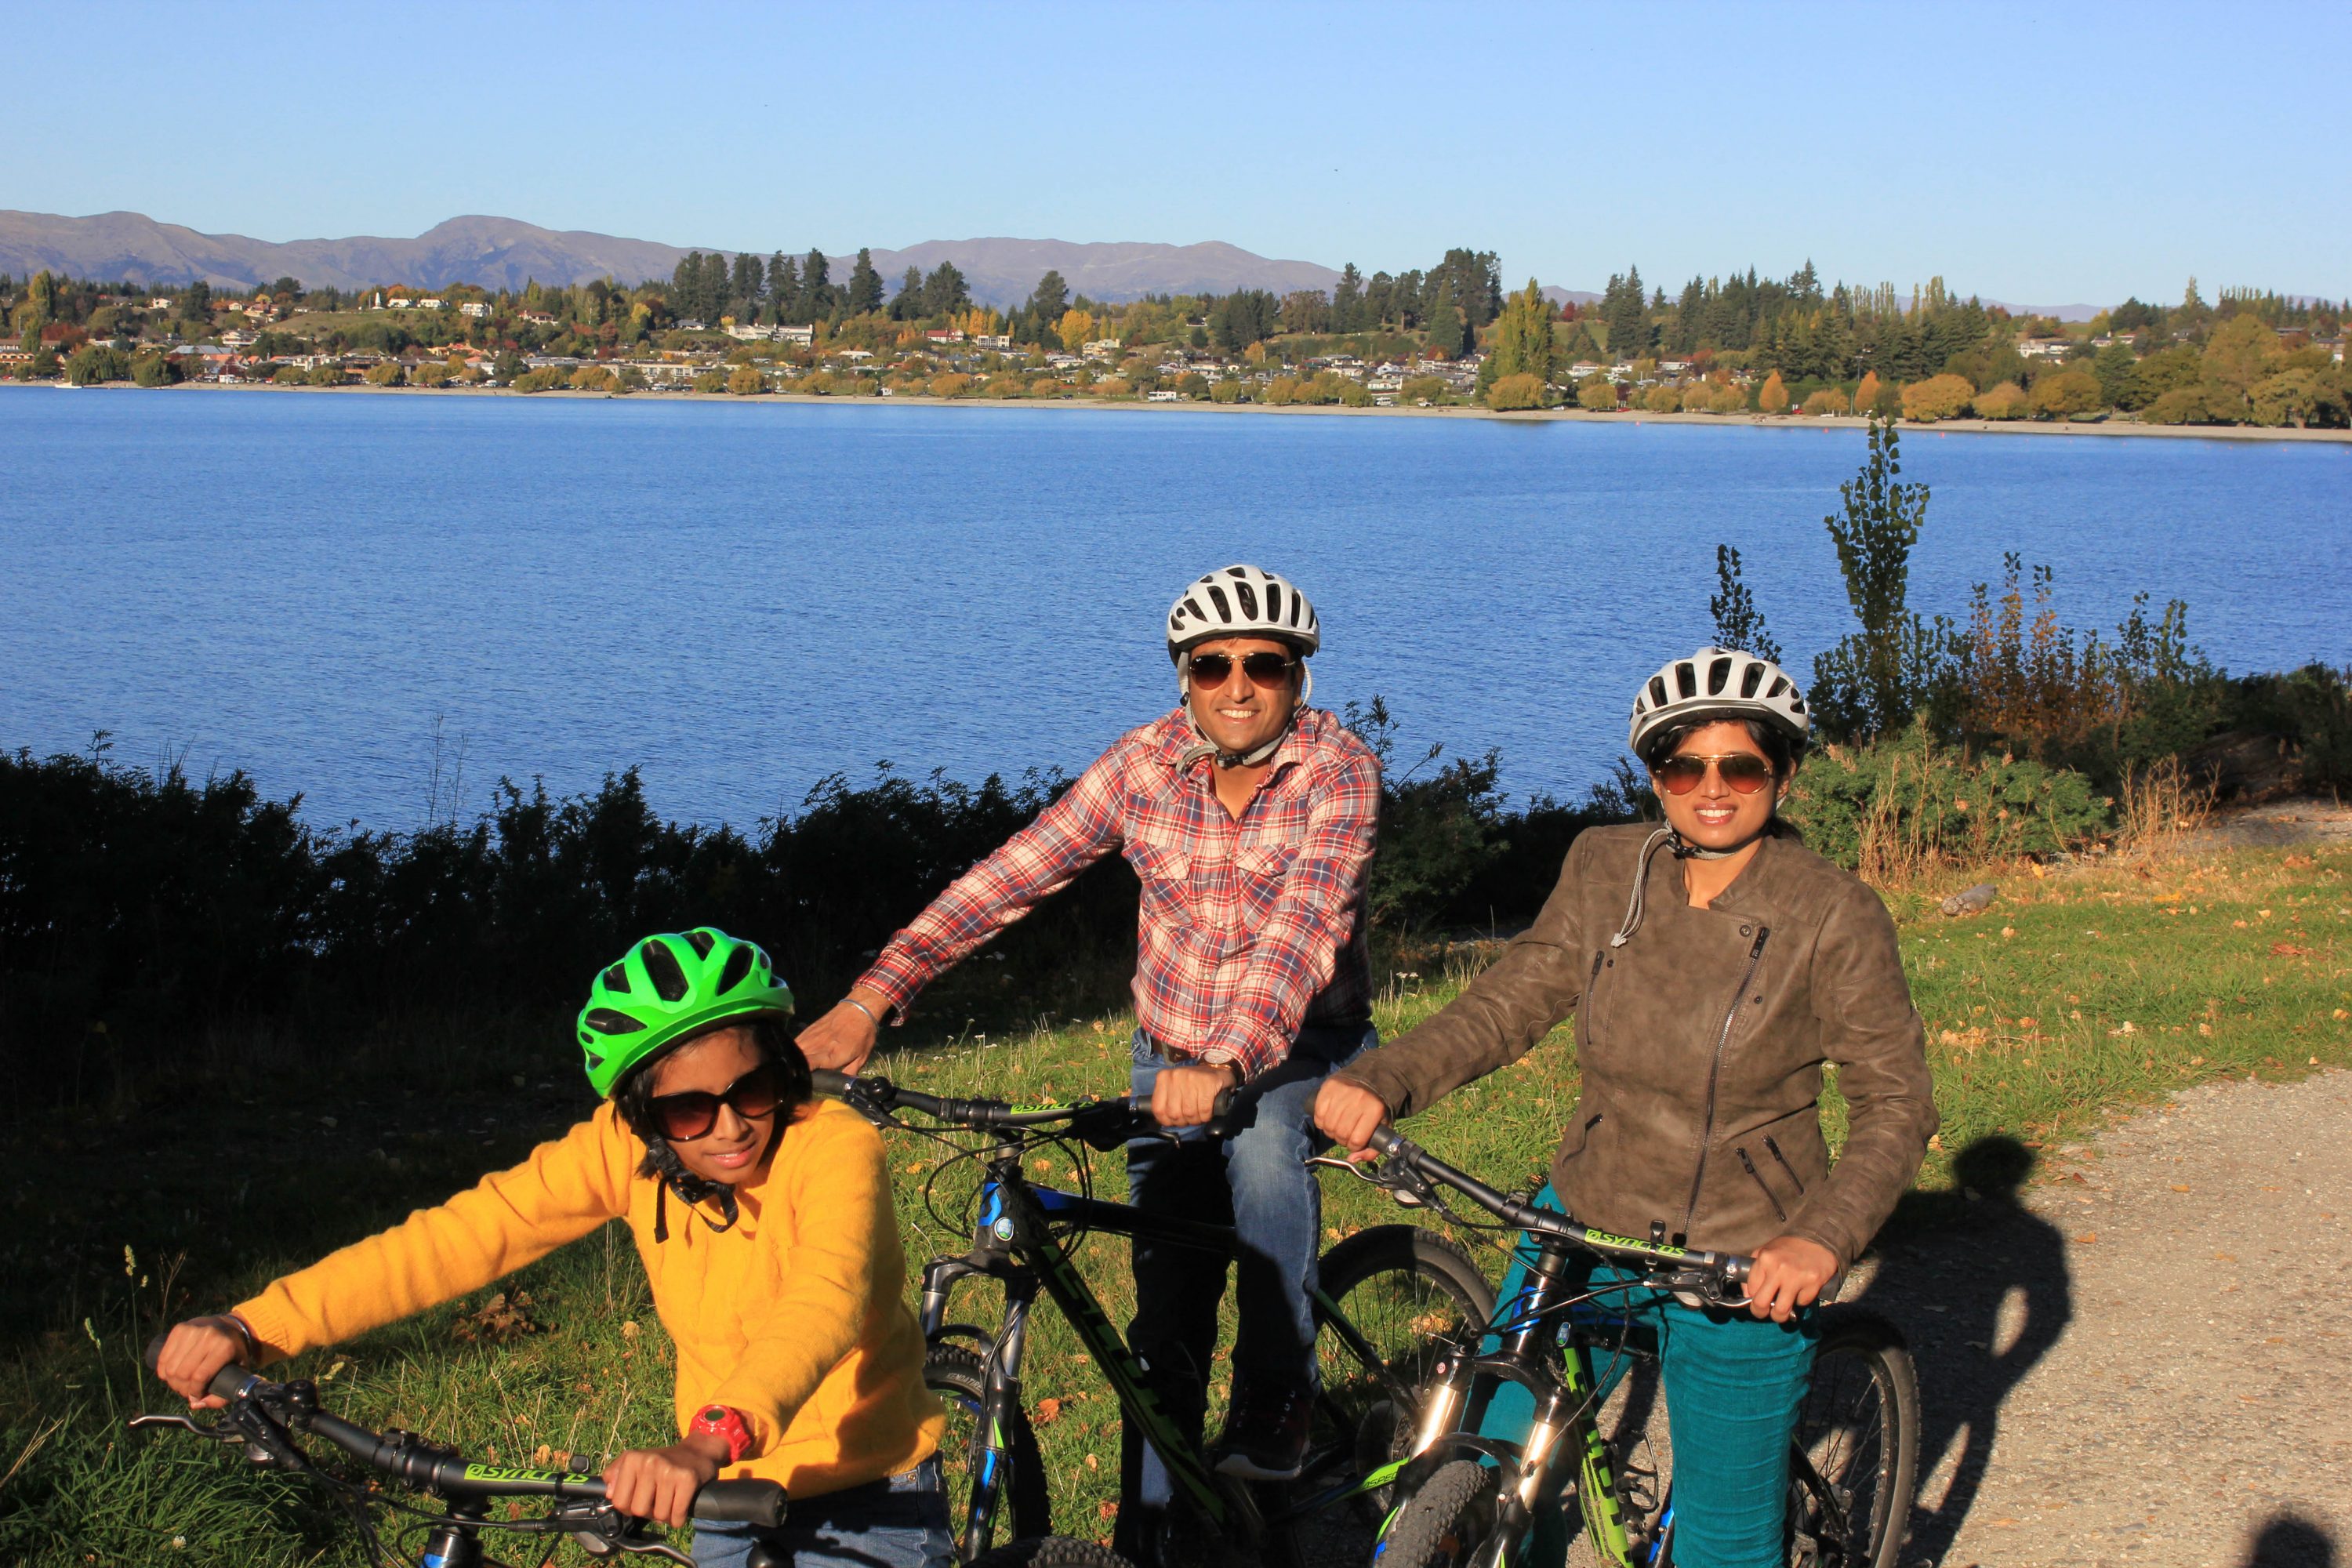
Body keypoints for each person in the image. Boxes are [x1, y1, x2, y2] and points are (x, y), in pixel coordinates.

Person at [1315, 646, 1938, 1568]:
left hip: (1740, 1255)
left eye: (1742, 766)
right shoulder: (1608, 867)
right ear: (1655, 773)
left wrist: (1823, 1235)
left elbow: (1896, 1101)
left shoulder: (1831, 912)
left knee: (1725, 1547)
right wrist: (1381, 1078)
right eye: (1684, 765)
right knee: (1486, 1465)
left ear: (1784, 771)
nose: (1711, 788)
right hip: (1583, 1220)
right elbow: (1511, 999)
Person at [796, 564, 1380, 1543]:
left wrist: (1232, 1063)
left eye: (1265, 665)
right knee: (1162, 1328)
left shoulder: (1338, 769)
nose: (1239, 686)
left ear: (1300, 676)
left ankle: (1281, 1393)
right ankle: (1151, 1538)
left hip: (1295, 1045)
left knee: (1268, 1151)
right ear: (1183, 675)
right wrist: (874, 993)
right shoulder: (1142, 763)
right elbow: (1015, 873)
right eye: (1213, 665)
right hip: (1171, 1053)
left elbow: (1302, 933)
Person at [155, 929, 951, 1568]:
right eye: (687, 1110)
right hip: (722, 1490)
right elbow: (459, 1237)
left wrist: (709, 1435)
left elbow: (824, 1298)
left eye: (752, 1089)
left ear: (783, 1069)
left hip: (860, 1488)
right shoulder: (620, 1149)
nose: (731, 1126)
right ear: (642, 1116)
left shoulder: (830, 1144)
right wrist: (253, 1325)